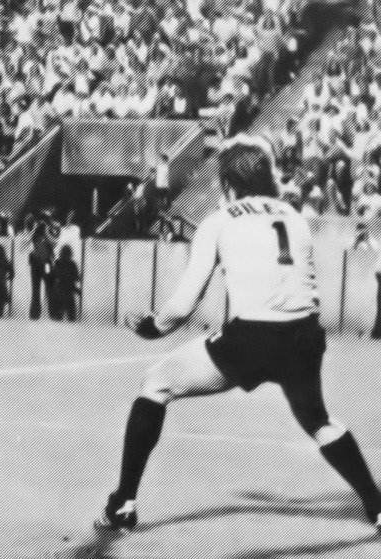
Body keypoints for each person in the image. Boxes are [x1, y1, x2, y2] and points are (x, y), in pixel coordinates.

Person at [96, 135, 381, 533]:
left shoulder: (220, 220)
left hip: (252, 338)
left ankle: (123, 503)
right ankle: (376, 503)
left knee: (156, 382)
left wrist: (153, 326)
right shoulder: (295, 216)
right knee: (318, 420)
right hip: (305, 336)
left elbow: (182, 306)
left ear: (228, 183)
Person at [50, 245, 80, 321]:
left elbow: (54, 275)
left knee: (61, 316)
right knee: (70, 315)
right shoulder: (70, 264)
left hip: (62, 289)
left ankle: (59, 315)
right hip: (67, 289)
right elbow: (76, 277)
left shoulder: (59, 263)